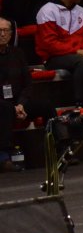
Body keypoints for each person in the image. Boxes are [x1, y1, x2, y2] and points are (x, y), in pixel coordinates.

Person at [34, 0, 83, 108]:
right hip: (53, 57)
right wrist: (76, 51)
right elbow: (49, 44)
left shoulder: (80, 10)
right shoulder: (47, 11)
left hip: (76, 53)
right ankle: (80, 101)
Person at [0, 16, 53, 171]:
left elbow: (28, 84)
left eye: (5, 31)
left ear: (11, 34)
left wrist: (21, 104)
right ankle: (3, 157)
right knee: (4, 108)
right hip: (2, 104)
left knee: (46, 106)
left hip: (18, 102)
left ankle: (54, 149)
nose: (2, 34)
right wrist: (13, 107)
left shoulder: (18, 53)